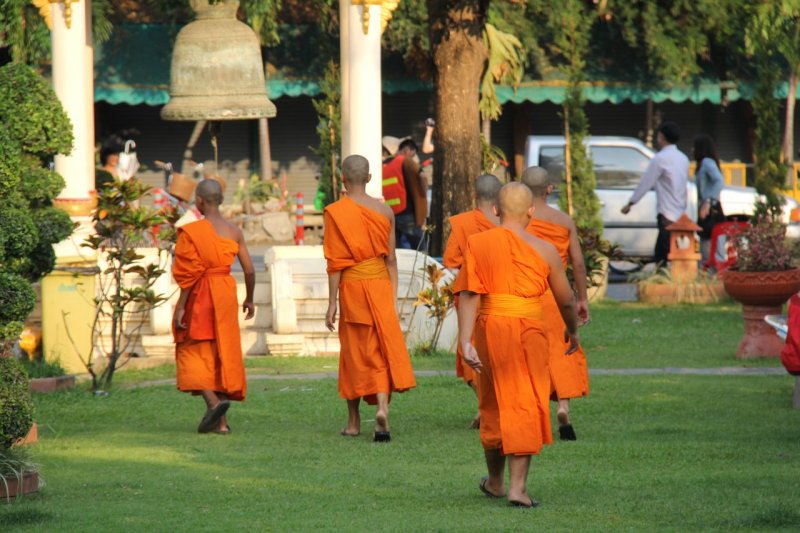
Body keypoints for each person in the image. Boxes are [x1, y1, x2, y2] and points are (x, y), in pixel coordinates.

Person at [457, 182, 579, 508]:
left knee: (493, 403)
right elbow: (566, 301)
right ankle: (517, 488)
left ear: (495, 210)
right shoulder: (544, 250)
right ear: (531, 212)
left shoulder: (478, 243)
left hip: (489, 331)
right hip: (528, 334)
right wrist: (572, 331)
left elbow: (469, 292)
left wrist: (465, 340)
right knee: (525, 402)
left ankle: (496, 481)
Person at [324, 154, 417, 443]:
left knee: (353, 353)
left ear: (342, 179)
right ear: (369, 178)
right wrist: (392, 297)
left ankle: (353, 423)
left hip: (352, 287)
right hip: (378, 284)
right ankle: (382, 408)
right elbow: (391, 260)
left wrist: (331, 303)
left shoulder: (335, 212)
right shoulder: (385, 212)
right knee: (380, 350)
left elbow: (336, 263)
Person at [172, 179, 256, 434]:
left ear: (198, 201)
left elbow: (189, 277)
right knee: (221, 352)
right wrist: (249, 299)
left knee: (192, 348)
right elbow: (250, 271)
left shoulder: (193, 231)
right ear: (220, 199)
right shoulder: (234, 231)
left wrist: (181, 307)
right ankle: (221, 424)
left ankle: (213, 402)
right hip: (225, 292)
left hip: (200, 295)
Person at [521, 167, 590, 441]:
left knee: (529, 354)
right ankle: (563, 407)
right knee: (563, 352)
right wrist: (582, 299)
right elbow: (579, 263)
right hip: (556, 296)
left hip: (526, 293)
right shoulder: (563, 220)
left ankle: (532, 414)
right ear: (549, 189)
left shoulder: (519, 221)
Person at [442, 173, 502, 429]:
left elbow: (450, 260)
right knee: (498, 350)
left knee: (470, 351)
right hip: (501, 294)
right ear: (500, 198)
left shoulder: (463, 222)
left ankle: (485, 406)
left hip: (472, 295)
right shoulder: (508, 223)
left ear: (474, 195)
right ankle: (493, 406)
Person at [621, 121, 689, 266]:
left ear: (661, 137)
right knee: (673, 249)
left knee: (663, 250)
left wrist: (631, 203)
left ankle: (661, 278)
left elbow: (646, 183)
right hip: (680, 211)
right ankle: (665, 276)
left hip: (666, 211)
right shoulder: (683, 158)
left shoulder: (660, 159)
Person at [382, 138, 428, 250]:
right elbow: (423, 176)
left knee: (397, 251)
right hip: (406, 213)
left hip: (389, 215)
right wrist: (423, 192)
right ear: (407, 150)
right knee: (420, 251)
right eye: (412, 155)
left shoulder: (383, 164)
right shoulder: (404, 160)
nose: (412, 158)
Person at [693, 134, 725, 263]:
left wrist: (707, 202)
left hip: (711, 211)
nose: (692, 150)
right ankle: (711, 276)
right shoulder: (706, 163)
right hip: (709, 210)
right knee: (708, 246)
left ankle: (715, 276)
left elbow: (719, 181)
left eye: (694, 147)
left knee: (711, 247)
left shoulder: (707, 162)